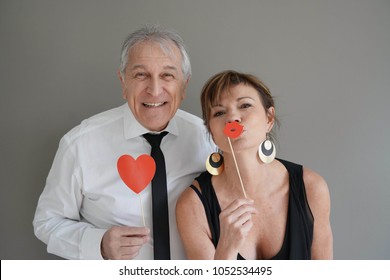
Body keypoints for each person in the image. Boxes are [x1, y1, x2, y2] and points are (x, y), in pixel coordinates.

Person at [33, 24, 215, 260]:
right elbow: (47, 222)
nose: (155, 89)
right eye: (141, 75)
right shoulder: (79, 144)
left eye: (167, 75)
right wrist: (99, 244)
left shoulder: (209, 139)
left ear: (184, 85)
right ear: (123, 81)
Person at [176, 70, 333, 260]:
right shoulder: (192, 205)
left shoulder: (312, 188)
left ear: (269, 118)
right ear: (211, 132)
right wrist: (226, 249)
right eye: (219, 112)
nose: (232, 118)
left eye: (245, 105)